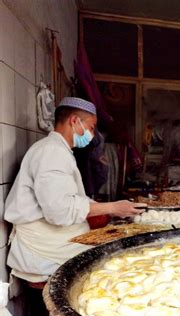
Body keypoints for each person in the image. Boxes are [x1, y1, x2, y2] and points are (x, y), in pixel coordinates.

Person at [4, 97, 145, 283]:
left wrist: (112, 209)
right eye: (92, 127)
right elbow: (59, 211)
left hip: (55, 237)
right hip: (44, 245)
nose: (93, 135)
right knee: (113, 260)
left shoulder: (59, 151)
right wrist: (112, 208)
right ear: (74, 121)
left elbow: (71, 199)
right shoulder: (51, 152)